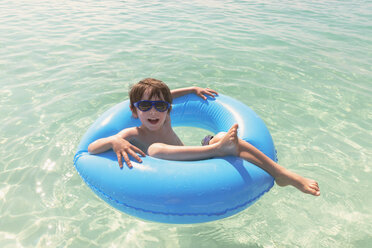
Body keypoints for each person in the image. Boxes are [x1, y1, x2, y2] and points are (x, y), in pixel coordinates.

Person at [88, 78, 320, 196]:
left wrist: (192, 89)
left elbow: (171, 96)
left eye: (160, 106)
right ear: (134, 110)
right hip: (176, 170)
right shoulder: (131, 133)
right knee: (155, 150)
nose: (153, 112)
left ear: (168, 109)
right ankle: (215, 149)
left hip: (197, 159)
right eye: (145, 105)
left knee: (224, 136)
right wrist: (113, 141)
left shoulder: (164, 117)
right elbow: (91, 149)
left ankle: (281, 174)